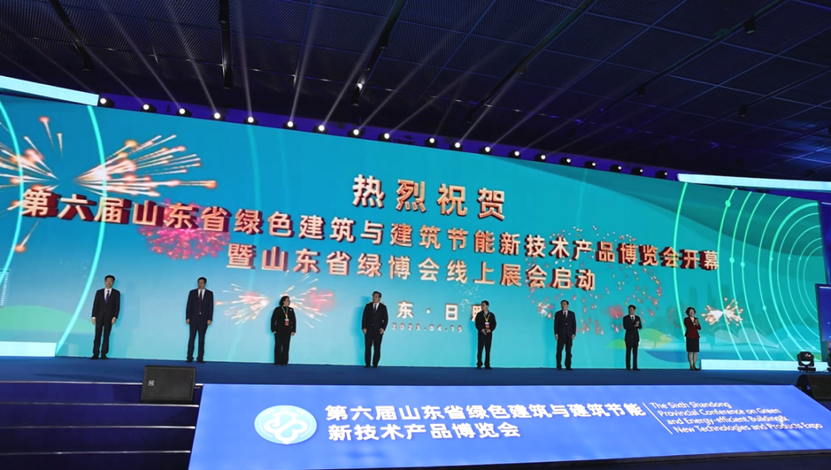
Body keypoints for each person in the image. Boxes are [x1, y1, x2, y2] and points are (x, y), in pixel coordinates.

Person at [91, 274, 120, 360]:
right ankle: (95, 354)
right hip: (99, 317)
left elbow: (117, 306)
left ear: (113, 282)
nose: (109, 282)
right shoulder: (99, 292)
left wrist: (115, 317)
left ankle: (104, 354)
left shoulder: (116, 293)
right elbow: (95, 305)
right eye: (107, 281)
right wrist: (93, 317)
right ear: (104, 282)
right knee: (97, 336)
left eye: (111, 281)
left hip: (109, 317)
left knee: (106, 336)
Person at [186, 277, 213, 363]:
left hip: (204, 320)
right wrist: (187, 317)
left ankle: (200, 358)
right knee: (191, 338)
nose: (200, 284)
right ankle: (189, 357)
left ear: (205, 284)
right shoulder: (192, 292)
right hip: (193, 319)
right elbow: (189, 306)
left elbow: (211, 307)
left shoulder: (209, 293)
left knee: (201, 339)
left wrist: (210, 318)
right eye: (199, 282)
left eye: (201, 283)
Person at [361, 291, 388, 368]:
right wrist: (364, 327)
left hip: (378, 331)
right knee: (367, 348)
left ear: (379, 298)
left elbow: (386, 319)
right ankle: (367, 364)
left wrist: (383, 328)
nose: (374, 298)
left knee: (377, 348)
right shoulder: (368, 306)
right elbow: (364, 317)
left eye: (376, 297)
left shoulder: (383, 307)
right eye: (373, 296)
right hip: (368, 330)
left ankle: (375, 364)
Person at [271, 296, 296, 365]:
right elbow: (273, 319)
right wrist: (273, 329)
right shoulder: (277, 309)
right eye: (287, 300)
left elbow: (293, 320)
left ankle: (284, 361)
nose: (289, 302)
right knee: (278, 345)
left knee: (286, 346)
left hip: (287, 330)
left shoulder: (291, 310)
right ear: (283, 301)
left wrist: (293, 330)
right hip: (278, 330)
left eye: (289, 300)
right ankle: (277, 361)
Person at [554, 300, 576, 370]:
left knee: (568, 351)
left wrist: (573, 333)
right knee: (559, 351)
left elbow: (574, 324)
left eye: (564, 304)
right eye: (562, 304)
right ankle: (558, 365)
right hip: (561, 335)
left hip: (569, 335)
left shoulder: (572, 314)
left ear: (567, 305)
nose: (563, 306)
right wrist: (556, 334)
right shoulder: (558, 314)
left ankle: (568, 366)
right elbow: (556, 325)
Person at [474, 300, 497, 369]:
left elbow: (494, 324)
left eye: (483, 305)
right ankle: (479, 364)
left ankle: (487, 364)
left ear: (487, 306)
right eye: (481, 305)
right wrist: (481, 329)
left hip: (489, 334)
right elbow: (477, 324)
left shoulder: (492, 315)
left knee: (488, 349)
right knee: (480, 349)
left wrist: (491, 329)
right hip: (481, 334)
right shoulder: (479, 314)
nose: (482, 306)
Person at [622, 305, 642, 370]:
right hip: (628, 338)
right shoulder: (625, 318)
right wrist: (633, 325)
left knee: (635, 353)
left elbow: (640, 327)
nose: (630, 310)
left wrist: (637, 325)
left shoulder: (637, 318)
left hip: (635, 338)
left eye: (631, 309)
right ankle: (628, 367)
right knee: (628, 352)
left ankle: (635, 367)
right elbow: (625, 326)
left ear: (634, 310)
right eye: (629, 309)